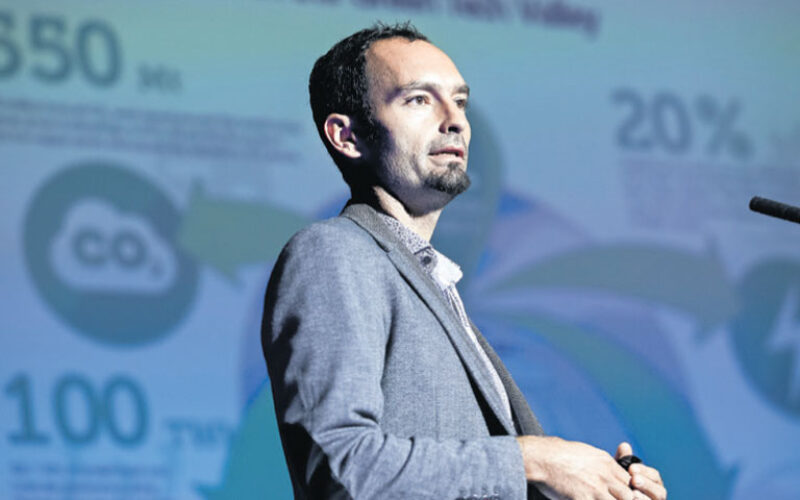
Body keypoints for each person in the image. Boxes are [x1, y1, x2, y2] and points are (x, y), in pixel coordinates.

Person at [261, 22, 667, 500]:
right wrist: (535, 459)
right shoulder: (334, 253)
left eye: (460, 101)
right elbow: (340, 467)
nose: (454, 119)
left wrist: (603, 487)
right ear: (347, 136)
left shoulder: (433, 285)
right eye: (418, 99)